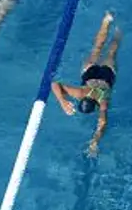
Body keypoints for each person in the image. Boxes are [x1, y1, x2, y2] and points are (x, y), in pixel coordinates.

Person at [50, 11, 121, 157]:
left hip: (107, 76)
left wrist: (94, 141)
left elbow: (102, 123)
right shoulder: (80, 92)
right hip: (90, 73)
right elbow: (55, 84)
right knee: (97, 48)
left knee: (112, 51)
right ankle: (106, 20)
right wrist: (62, 101)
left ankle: (119, 29)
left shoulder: (102, 102)